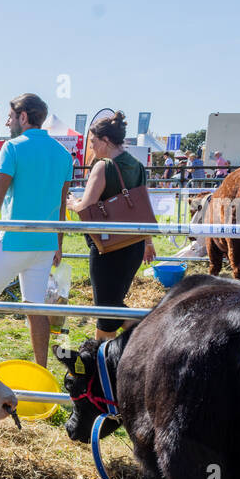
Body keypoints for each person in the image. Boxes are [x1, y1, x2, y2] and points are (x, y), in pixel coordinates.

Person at [0, 93, 72, 369]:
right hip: (46, 242)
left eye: (11, 116)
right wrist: (59, 243)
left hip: (15, 241)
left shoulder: (12, 148)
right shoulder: (63, 154)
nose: (7, 121)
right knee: (34, 307)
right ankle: (41, 371)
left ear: (24, 117)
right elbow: (62, 204)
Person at [66, 110, 155, 342]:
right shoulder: (137, 165)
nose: (92, 147)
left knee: (105, 310)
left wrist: (71, 203)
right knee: (110, 304)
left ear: (105, 141)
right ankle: (136, 337)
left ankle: (146, 333)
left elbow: (87, 206)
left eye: (94, 142)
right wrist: (148, 242)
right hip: (133, 245)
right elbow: (142, 206)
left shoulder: (103, 166)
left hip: (108, 247)